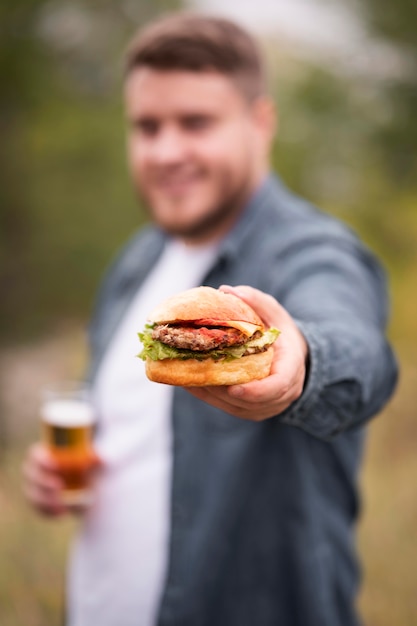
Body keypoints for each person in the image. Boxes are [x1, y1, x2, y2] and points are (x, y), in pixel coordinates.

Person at [23, 13, 398, 626]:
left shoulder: (314, 251)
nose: (167, 151)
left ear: (261, 124)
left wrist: (301, 362)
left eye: (195, 123)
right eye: (147, 127)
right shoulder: (136, 261)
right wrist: (67, 473)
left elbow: (360, 349)